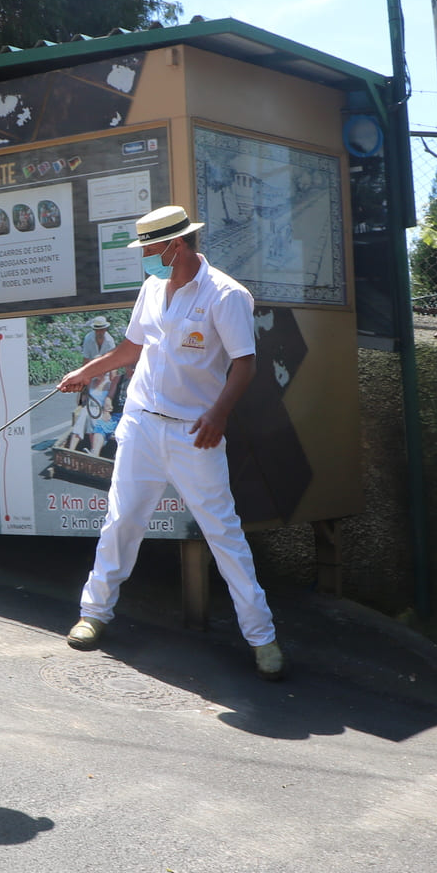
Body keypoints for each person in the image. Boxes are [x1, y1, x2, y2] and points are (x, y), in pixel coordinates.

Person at [56, 205, 285, 680]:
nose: (143, 257)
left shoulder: (225, 294)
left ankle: (262, 637)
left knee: (223, 532)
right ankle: (93, 614)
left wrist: (218, 414)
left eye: (148, 248)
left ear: (175, 246)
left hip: (193, 431)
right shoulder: (151, 287)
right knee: (121, 520)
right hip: (141, 422)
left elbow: (245, 363)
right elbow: (132, 347)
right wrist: (86, 372)